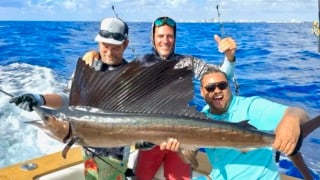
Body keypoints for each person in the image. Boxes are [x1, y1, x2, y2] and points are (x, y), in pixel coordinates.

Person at [82, 16, 237, 180]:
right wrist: (95, 55)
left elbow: (220, 78)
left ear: (175, 39)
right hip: (150, 139)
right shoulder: (140, 64)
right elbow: (113, 80)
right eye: (160, 36)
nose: (165, 41)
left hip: (181, 137)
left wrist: (229, 57)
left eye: (170, 36)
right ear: (153, 38)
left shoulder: (188, 62)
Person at [9, 17, 133, 180]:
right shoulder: (86, 68)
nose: (109, 52)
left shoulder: (132, 77)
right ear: (98, 43)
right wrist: (40, 99)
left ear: (125, 44)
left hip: (115, 157)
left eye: (115, 47)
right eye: (104, 45)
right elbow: (69, 100)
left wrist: (146, 141)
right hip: (88, 152)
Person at [161, 66, 314, 180]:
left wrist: (291, 119)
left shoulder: (251, 106)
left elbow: (300, 113)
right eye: (210, 88)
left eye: (222, 85)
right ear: (202, 92)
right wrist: (180, 150)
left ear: (229, 86)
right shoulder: (202, 117)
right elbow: (190, 160)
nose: (217, 91)